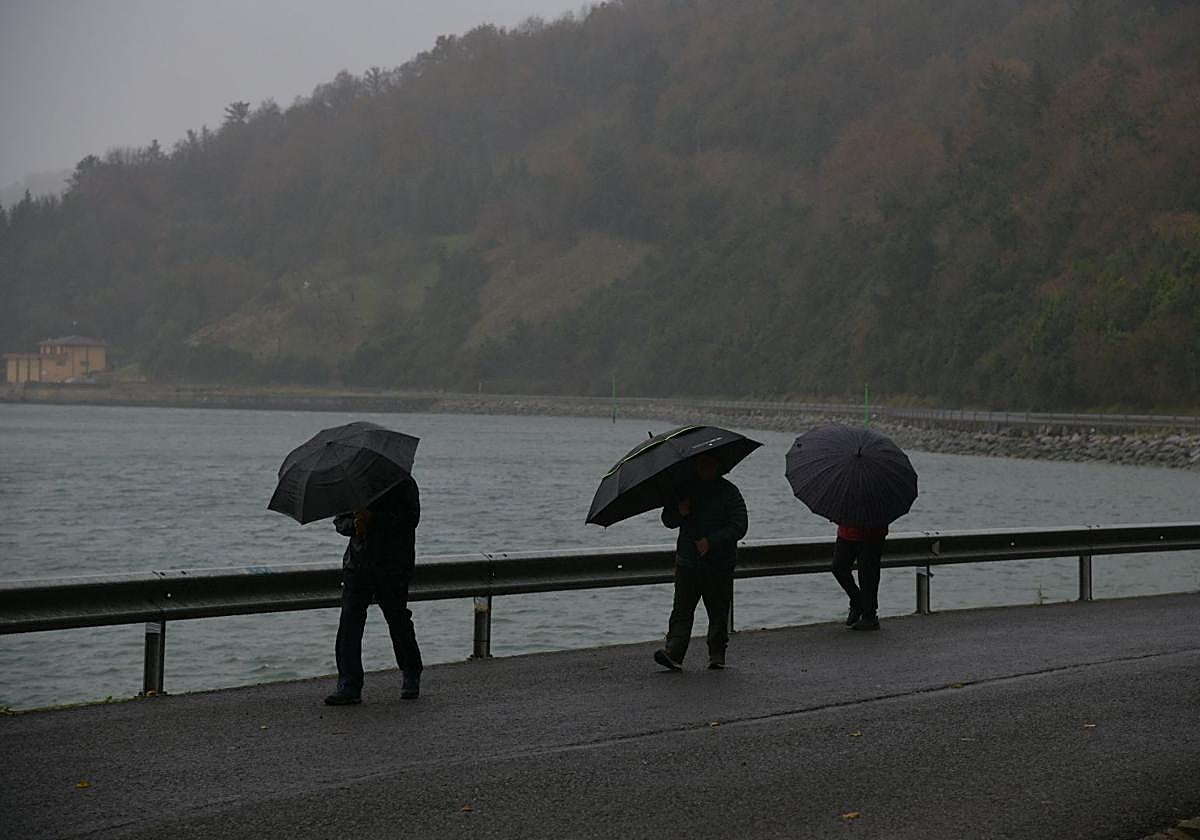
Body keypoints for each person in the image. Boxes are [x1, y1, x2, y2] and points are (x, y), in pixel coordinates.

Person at [323, 477, 423, 705]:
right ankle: (349, 684)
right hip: (357, 564)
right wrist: (354, 525)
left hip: (393, 565)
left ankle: (411, 672)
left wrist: (374, 518)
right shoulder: (352, 484)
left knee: (397, 619)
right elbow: (340, 521)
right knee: (349, 622)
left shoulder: (402, 482)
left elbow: (411, 519)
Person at [654, 453, 748, 671]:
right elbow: (668, 520)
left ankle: (717, 654)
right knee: (681, 610)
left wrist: (711, 541)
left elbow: (740, 525)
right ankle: (674, 652)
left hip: (719, 564)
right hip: (688, 562)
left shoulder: (729, 492)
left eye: (710, 463)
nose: (705, 467)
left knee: (718, 611)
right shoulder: (684, 489)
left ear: (718, 465)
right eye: (702, 463)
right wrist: (680, 512)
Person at [831, 523, 887, 631]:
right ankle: (859, 602)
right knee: (838, 567)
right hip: (847, 532)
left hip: (872, 535)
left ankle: (869, 614)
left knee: (868, 575)